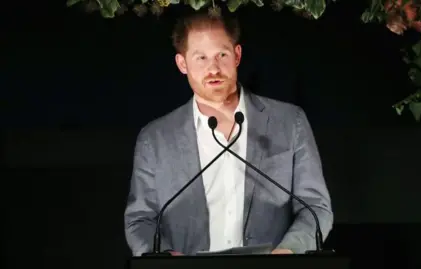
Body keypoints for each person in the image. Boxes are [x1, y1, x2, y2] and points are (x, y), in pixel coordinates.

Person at [124, 8, 333, 256]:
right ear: (182, 63)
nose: (213, 68)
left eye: (221, 54)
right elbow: (140, 219)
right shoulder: (155, 139)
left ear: (237, 55)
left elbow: (315, 206)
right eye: (201, 58)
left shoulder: (289, 122)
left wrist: (287, 252)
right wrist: (164, 258)